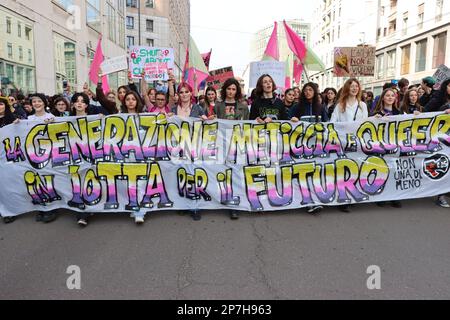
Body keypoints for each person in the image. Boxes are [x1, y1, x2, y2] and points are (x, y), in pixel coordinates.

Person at [290, 83, 329, 215]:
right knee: (304, 174)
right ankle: (308, 201)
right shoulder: (297, 107)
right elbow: (287, 123)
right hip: (301, 147)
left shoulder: (321, 108)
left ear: (315, 91)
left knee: (315, 174)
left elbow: (327, 125)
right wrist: (292, 120)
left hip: (317, 147)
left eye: (310, 90)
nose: (307, 92)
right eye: (305, 90)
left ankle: (316, 200)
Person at [170, 82, 207, 221]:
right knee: (181, 175)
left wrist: (206, 119)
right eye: (181, 92)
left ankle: (195, 206)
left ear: (191, 93)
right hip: (178, 147)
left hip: (194, 147)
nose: (184, 94)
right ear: (178, 95)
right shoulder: (173, 110)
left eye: (186, 92)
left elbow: (207, 122)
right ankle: (183, 204)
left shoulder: (197, 108)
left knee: (193, 175)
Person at [330, 78, 368, 213]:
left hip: (357, 142)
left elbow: (366, 123)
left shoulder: (362, 105)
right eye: (351, 86)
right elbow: (333, 122)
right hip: (343, 141)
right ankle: (343, 197)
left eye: (356, 86)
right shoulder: (340, 105)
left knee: (356, 168)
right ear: (347, 88)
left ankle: (352, 195)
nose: (354, 88)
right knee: (344, 169)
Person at [0, 96, 19, 223]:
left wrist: (18, 124)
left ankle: (9, 211)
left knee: (8, 184)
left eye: (1, 104)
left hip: (8, 156)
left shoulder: (12, 118)